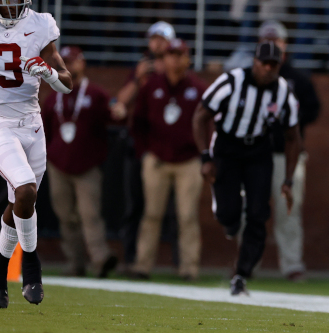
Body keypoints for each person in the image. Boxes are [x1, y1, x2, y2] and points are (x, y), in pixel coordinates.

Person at [0, 0, 73, 308]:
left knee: (20, 202)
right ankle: (31, 266)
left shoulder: (38, 23)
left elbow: (67, 82)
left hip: (33, 123)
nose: (15, 3)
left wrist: (48, 72)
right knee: (26, 190)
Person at [193, 41, 302, 296]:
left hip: (258, 151)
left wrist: (288, 180)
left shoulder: (283, 91)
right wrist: (205, 157)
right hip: (227, 148)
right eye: (264, 63)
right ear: (254, 62)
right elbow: (200, 116)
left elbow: (293, 137)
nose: (268, 69)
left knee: (258, 214)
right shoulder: (231, 81)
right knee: (228, 215)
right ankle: (229, 219)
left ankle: (242, 273)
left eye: (274, 65)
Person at [130, 39, 206, 281]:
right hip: (157, 159)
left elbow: (208, 124)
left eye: (179, 54)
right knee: (152, 214)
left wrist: (204, 154)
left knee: (187, 216)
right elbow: (138, 121)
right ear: (164, 59)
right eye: (170, 54)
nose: (174, 59)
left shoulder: (198, 88)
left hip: (189, 160)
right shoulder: (152, 86)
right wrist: (145, 152)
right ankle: (143, 265)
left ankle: (189, 268)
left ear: (188, 58)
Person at [41, 45, 119, 278]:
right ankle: (75, 264)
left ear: (82, 63)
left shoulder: (95, 94)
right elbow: (44, 130)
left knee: (89, 214)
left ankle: (100, 260)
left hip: (87, 166)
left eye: (73, 61)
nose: (69, 65)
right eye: (64, 61)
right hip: (58, 165)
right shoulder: (52, 97)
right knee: (66, 217)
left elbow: (113, 113)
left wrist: (119, 109)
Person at [259, 20, 320, 281]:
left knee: (289, 211)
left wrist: (288, 117)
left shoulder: (297, 78)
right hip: (256, 154)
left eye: (277, 41)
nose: (272, 46)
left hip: (288, 155)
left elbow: (314, 110)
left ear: (285, 45)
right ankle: (247, 262)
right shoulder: (250, 76)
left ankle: (292, 264)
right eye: (267, 41)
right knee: (250, 210)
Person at [115, 20, 177, 268]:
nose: (157, 43)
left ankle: (177, 262)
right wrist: (140, 79)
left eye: (162, 39)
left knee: (174, 210)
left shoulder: (175, 71)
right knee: (135, 205)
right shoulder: (142, 69)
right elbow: (120, 102)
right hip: (139, 146)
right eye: (154, 38)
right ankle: (131, 257)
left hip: (167, 147)